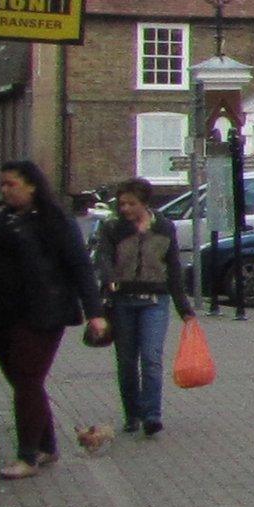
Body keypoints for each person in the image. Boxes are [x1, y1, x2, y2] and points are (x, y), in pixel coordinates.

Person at [0, 161, 106, 480]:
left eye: (12, 184)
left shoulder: (53, 220)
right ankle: (47, 444)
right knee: (21, 380)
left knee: (28, 379)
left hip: (43, 311)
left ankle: (27, 455)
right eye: (2, 184)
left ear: (31, 185)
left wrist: (95, 312)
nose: (5, 190)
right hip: (0, 311)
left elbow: (80, 266)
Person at [91, 177, 195, 439]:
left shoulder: (164, 227)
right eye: (121, 203)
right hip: (122, 301)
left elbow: (173, 267)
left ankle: (152, 415)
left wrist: (184, 307)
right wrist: (109, 277)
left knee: (151, 358)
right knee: (126, 362)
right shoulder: (113, 227)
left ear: (145, 204)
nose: (124, 208)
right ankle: (132, 413)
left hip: (155, 301)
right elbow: (102, 257)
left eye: (131, 204)